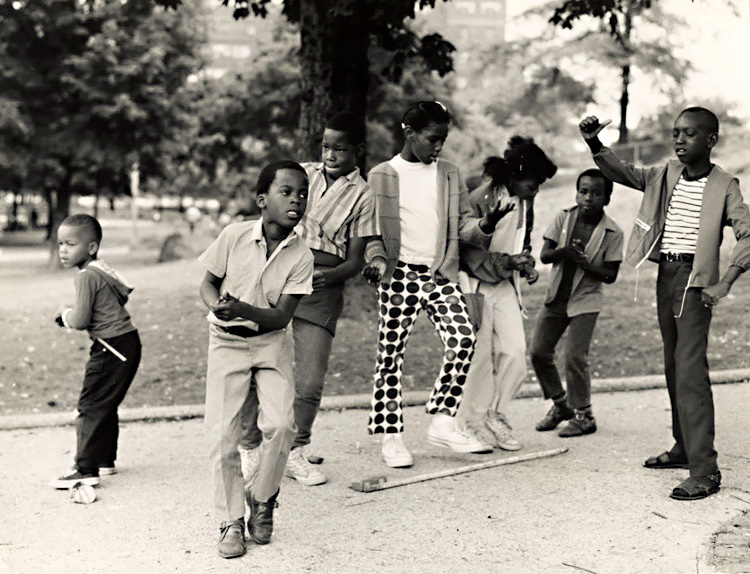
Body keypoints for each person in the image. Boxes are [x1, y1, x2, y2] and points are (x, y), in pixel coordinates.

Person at [579, 108, 750, 500]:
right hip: (666, 276)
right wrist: (593, 143)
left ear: (711, 140)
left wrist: (726, 282)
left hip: (694, 283)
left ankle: (705, 469)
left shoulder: (725, 185)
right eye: (675, 133)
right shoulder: (664, 174)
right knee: (673, 365)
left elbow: (747, 233)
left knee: (690, 371)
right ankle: (683, 447)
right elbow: (622, 173)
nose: (679, 140)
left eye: (689, 134)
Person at [363, 100, 512, 468]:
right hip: (398, 275)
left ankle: (443, 422)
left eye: (443, 139)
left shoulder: (448, 173)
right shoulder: (381, 175)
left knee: (463, 338)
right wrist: (376, 261)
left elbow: (463, 227)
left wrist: (486, 225)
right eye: (432, 138)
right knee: (390, 355)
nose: (439, 146)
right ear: (409, 133)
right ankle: (392, 438)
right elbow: (370, 233)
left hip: (439, 273)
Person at [237, 112, 379, 487]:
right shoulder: (302, 174)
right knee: (259, 363)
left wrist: (328, 276)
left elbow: (354, 260)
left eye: (340, 148)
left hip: (321, 286)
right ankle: (250, 447)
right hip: (279, 273)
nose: (330, 155)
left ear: (358, 151)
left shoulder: (363, 195)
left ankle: (295, 450)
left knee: (311, 378)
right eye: (326, 146)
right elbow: (269, 218)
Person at [198, 160, 313, 558]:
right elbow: (208, 282)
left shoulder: (302, 255)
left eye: (302, 192)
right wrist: (219, 307)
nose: (297, 199)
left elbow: (282, 316)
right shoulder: (232, 235)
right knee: (223, 435)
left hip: (272, 342)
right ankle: (231, 522)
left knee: (282, 425)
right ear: (262, 200)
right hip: (226, 342)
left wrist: (243, 308)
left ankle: (262, 497)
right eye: (287, 192)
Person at [456, 138, 557, 451]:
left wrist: (524, 263)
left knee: (514, 352)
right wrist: (506, 262)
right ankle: (467, 426)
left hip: (504, 284)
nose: (536, 189)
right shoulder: (482, 195)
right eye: (533, 183)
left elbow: (521, 240)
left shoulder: (526, 200)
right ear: (513, 175)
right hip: (475, 283)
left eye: (540, 185)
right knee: (480, 358)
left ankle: (494, 415)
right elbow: (468, 249)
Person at [50, 214, 142, 489]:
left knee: (90, 405)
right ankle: (104, 461)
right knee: (105, 403)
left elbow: (79, 320)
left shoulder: (86, 276)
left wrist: (64, 315)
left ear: (91, 248)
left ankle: (85, 468)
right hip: (126, 343)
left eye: (70, 243)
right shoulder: (101, 269)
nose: (63, 250)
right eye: (60, 244)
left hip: (111, 347)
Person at [530, 168, 623, 437]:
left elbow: (611, 275)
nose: (588, 198)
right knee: (538, 352)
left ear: (606, 199)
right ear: (576, 193)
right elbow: (545, 255)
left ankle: (585, 415)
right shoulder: (563, 218)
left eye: (596, 193)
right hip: (556, 297)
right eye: (583, 191)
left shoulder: (612, 232)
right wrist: (565, 251)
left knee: (574, 357)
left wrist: (584, 263)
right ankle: (561, 406)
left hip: (586, 300)